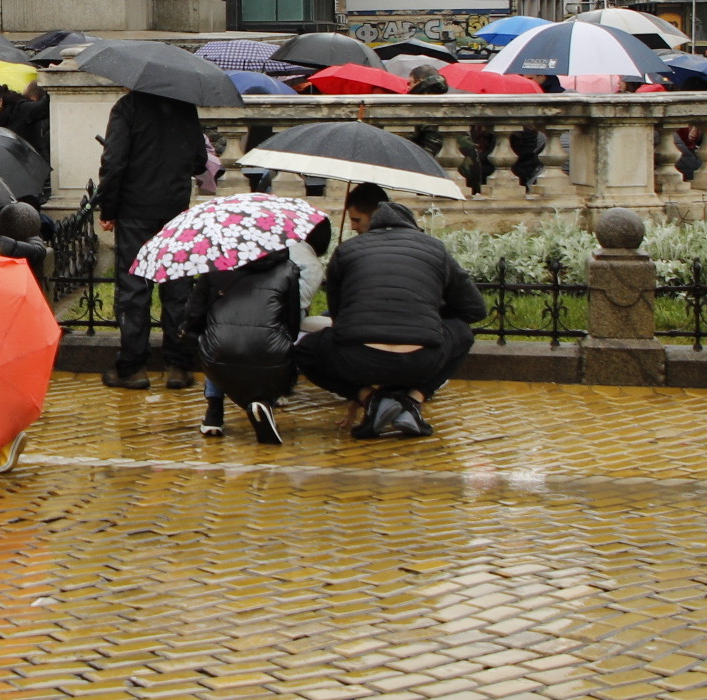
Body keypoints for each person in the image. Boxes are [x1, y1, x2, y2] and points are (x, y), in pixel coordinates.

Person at [295, 187, 485, 437]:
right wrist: (433, 314)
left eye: (356, 220)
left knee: (304, 350)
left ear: (373, 218)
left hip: (359, 360)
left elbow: (340, 319)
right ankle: (412, 401)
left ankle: (371, 399)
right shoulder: (435, 249)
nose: (352, 227)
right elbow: (474, 309)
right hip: (422, 361)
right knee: (463, 333)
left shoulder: (347, 250)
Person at [96, 86, 209, 390]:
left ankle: (132, 368)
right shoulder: (185, 106)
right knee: (177, 289)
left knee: (134, 289)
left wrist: (109, 207)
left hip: (135, 211)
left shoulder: (127, 107)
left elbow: (114, 162)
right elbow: (200, 161)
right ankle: (178, 366)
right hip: (175, 209)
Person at [197, 229, 322, 446]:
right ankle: (263, 402)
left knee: (215, 342)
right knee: (271, 354)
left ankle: (214, 413)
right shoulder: (288, 270)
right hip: (269, 349)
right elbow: (292, 323)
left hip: (222, 349)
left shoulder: (218, 267)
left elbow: (196, 312)